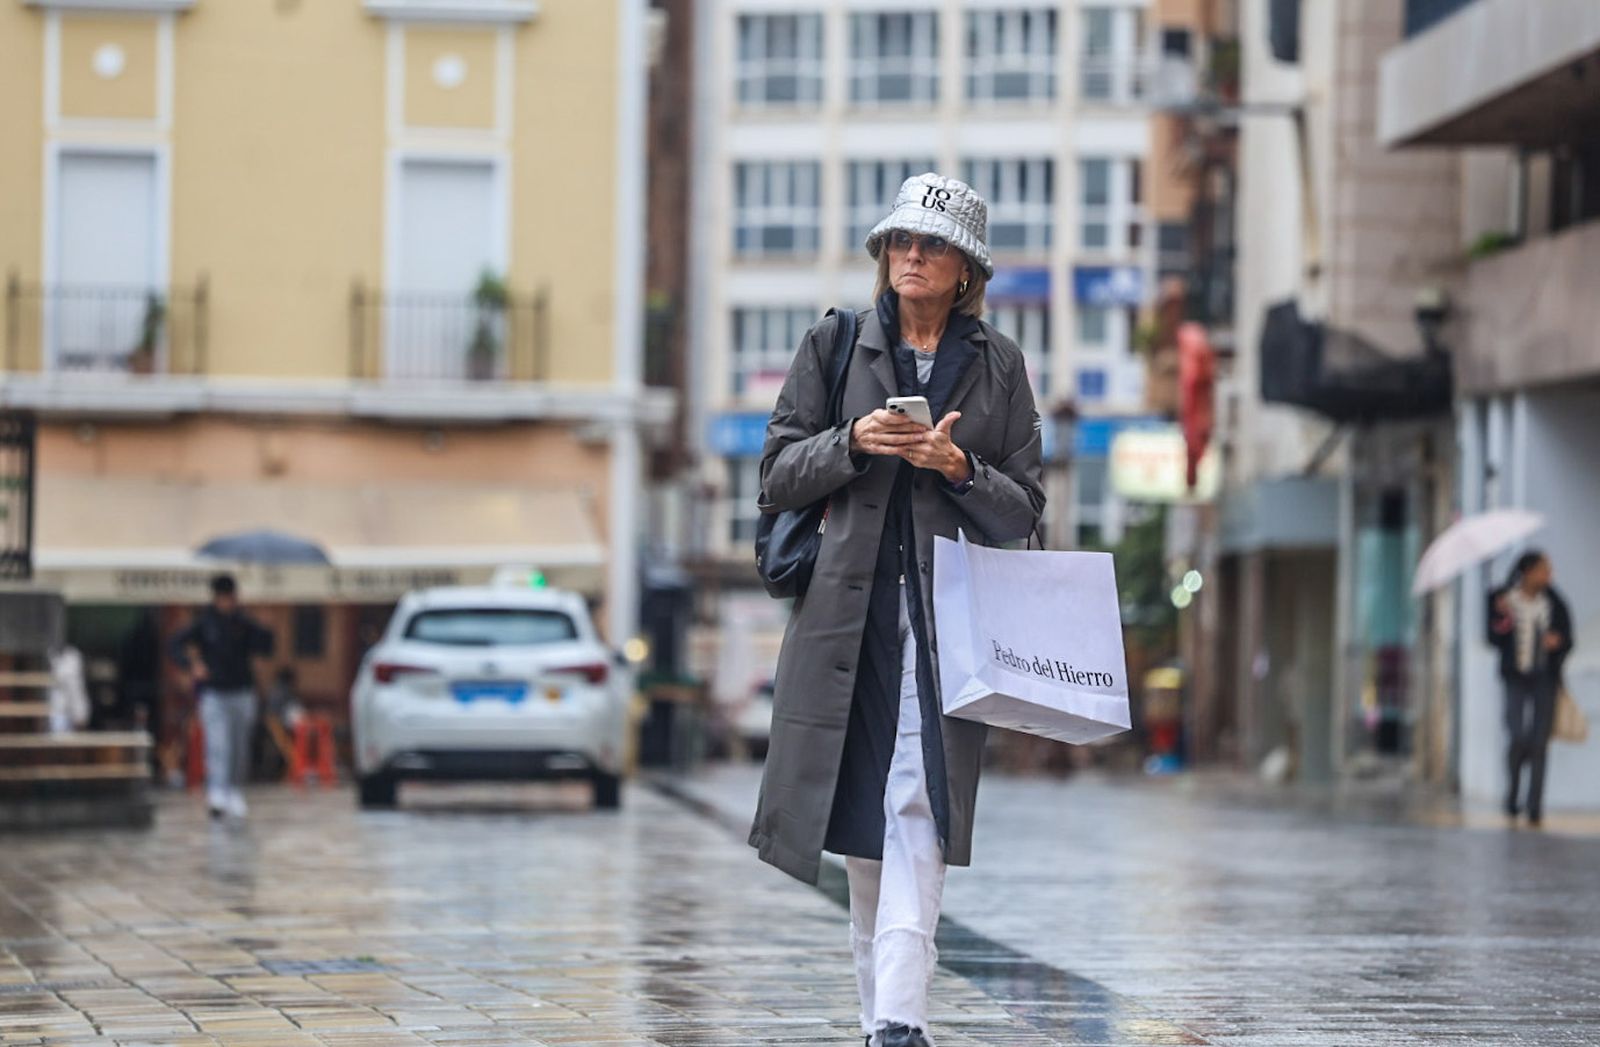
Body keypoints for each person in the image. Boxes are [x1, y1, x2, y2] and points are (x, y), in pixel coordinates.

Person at [749, 173, 1045, 1047]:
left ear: (965, 271)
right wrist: (853, 441)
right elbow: (774, 475)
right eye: (900, 243)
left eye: (932, 246)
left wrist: (957, 467)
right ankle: (883, 1019)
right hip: (845, 624)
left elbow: (1025, 507)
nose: (911, 256)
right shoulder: (835, 344)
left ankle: (901, 1021)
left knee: (919, 801)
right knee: (865, 826)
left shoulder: (999, 366)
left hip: (946, 624)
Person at [169, 574, 275, 819]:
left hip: (242, 691)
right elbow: (174, 644)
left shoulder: (244, 623)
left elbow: (266, 648)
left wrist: (269, 626)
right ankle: (216, 792)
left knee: (239, 745)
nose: (227, 602)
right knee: (218, 744)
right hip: (214, 693)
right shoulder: (204, 623)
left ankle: (235, 791)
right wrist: (191, 664)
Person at [1487, 550, 1573, 826]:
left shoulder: (1555, 603)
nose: (1548, 575)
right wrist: (1503, 618)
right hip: (1515, 677)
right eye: (1543, 569)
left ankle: (1534, 804)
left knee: (1540, 741)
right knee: (1517, 735)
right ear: (1527, 571)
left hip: (1544, 677)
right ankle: (1512, 795)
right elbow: (1492, 636)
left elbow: (1568, 638)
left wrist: (1556, 643)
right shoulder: (1502, 599)